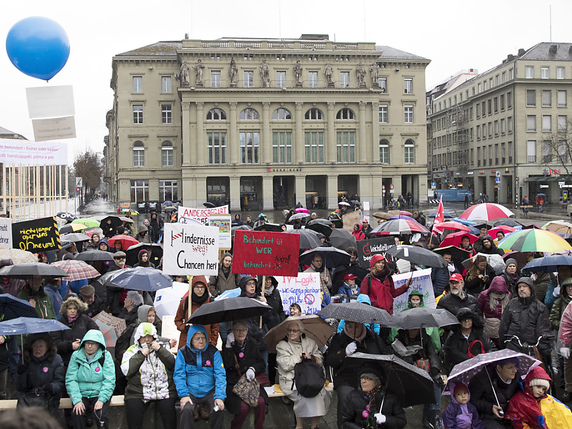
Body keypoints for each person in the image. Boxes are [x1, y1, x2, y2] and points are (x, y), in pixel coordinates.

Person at [326, 319, 392, 427]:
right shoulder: (339, 338)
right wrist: (344, 352)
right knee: (346, 399)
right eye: (350, 326)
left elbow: (386, 355)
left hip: (370, 376)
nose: (353, 330)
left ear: (362, 325)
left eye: (356, 327)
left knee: (378, 400)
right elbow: (331, 360)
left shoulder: (372, 337)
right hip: (346, 378)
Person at [121, 322, 177, 429]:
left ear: (154, 337)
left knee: (169, 416)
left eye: (149, 337)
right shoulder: (132, 351)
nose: (147, 340)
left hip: (164, 390)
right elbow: (126, 371)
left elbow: (173, 364)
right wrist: (141, 355)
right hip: (138, 392)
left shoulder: (163, 347)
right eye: (143, 337)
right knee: (133, 414)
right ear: (138, 338)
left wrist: (160, 350)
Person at [276, 319, 331, 429]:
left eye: (294, 331)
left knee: (321, 393)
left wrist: (312, 357)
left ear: (301, 332)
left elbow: (320, 358)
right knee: (303, 394)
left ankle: (315, 426)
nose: (291, 333)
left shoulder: (310, 342)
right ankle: (299, 426)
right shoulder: (282, 345)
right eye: (289, 330)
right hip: (291, 379)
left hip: (311, 377)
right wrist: (298, 357)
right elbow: (284, 364)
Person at [174, 325, 226, 429]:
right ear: (191, 340)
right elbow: (179, 375)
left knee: (219, 409)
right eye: (197, 339)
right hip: (190, 391)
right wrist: (183, 395)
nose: (201, 341)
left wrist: (219, 396)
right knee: (186, 409)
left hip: (209, 391)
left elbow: (220, 375)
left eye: (203, 338)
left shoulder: (213, 352)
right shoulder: (183, 353)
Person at [393, 326, 445, 429]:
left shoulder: (424, 338)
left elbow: (432, 354)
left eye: (415, 329)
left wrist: (435, 370)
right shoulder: (399, 339)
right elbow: (397, 360)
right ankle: (427, 418)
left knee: (434, 384)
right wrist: (414, 357)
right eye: (411, 328)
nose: (412, 331)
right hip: (407, 373)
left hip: (423, 370)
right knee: (425, 384)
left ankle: (434, 416)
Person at [65, 329, 116, 429]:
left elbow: (109, 380)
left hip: (99, 392)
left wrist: (101, 399)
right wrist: (77, 400)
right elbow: (71, 379)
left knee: (100, 414)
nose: (89, 346)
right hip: (81, 393)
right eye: (87, 343)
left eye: (93, 344)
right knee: (77, 413)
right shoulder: (76, 356)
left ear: (99, 344)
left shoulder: (105, 356)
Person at [222, 321, 267, 429]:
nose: (241, 333)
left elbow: (261, 363)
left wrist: (253, 369)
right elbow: (227, 365)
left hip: (250, 383)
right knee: (243, 408)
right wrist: (228, 346)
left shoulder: (252, 342)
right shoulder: (228, 344)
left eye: (244, 330)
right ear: (233, 332)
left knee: (260, 403)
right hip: (234, 384)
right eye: (238, 330)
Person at [499, 277, 551, 363]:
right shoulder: (511, 304)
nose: (521, 289)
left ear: (531, 288)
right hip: (513, 344)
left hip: (532, 347)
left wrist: (544, 349)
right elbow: (504, 325)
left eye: (524, 286)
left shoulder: (540, 307)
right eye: (519, 287)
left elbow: (543, 329)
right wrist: (503, 343)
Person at [340, 366, 407, 429]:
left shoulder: (390, 397)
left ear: (377, 381)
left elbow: (401, 422)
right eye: (362, 378)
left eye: (367, 378)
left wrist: (385, 419)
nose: (363, 381)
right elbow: (345, 422)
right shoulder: (353, 396)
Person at [506, 365, 572, 428]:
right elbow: (517, 422)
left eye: (544, 389)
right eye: (538, 387)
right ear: (530, 385)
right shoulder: (518, 400)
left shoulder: (546, 399)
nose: (541, 391)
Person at [15, 334, 65, 415]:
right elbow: (19, 387)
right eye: (35, 346)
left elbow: (59, 382)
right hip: (28, 399)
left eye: (41, 346)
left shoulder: (56, 359)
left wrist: (51, 387)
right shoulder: (25, 360)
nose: (37, 349)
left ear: (47, 347)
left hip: (48, 398)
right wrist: (21, 374)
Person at [470, 357, 520, 428]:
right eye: (510, 367)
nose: (514, 370)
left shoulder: (516, 377)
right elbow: (472, 400)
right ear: (499, 368)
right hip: (488, 418)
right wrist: (490, 408)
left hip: (510, 416)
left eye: (515, 366)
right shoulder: (482, 379)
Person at [443, 307, 496, 373]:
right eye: (463, 319)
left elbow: (491, 348)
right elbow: (453, 354)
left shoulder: (480, 334)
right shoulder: (453, 337)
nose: (466, 321)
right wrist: (472, 361)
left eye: (469, 318)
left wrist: (483, 359)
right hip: (461, 370)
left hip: (480, 369)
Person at [174, 275, 219, 350]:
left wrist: (212, 344)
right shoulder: (185, 302)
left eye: (202, 287)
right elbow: (177, 320)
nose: (200, 290)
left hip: (205, 344)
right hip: (187, 344)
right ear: (192, 288)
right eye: (197, 287)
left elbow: (215, 327)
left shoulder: (211, 304)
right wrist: (184, 327)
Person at [53, 296, 100, 366]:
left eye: (75, 308)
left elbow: (95, 332)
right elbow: (55, 343)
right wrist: (70, 345)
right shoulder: (59, 323)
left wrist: (83, 342)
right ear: (65, 309)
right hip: (66, 361)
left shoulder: (85, 319)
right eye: (70, 308)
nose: (72, 311)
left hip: (84, 359)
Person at [477, 276, 511, 346]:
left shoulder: (508, 295)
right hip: (489, 329)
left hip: (503, 328)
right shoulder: (484, 295)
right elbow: (478, 311)